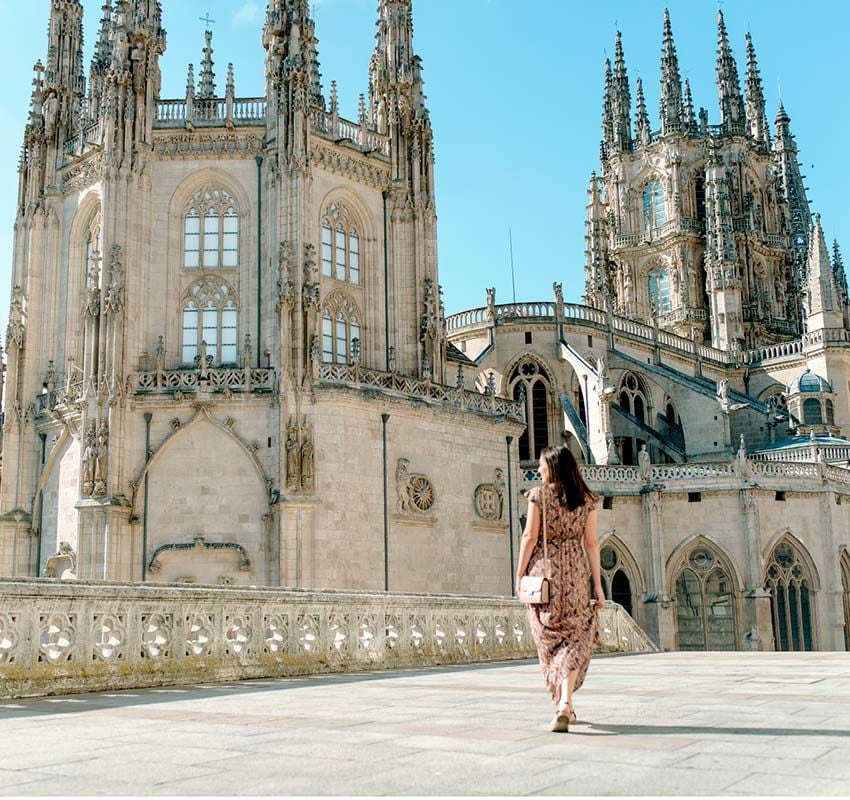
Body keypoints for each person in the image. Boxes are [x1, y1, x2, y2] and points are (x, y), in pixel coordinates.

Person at [516, 445, 605, 733]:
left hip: (546, 575)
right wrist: (598, 585)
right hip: (576, 576)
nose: (539, 470)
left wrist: (519, 575)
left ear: (553, 467)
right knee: (576, 635)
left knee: (551, 640)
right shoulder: (587, 499)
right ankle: (566, 703)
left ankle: (563, 704)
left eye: (542, 466)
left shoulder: (538, 496)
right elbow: (591, 544)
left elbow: (529, 537)